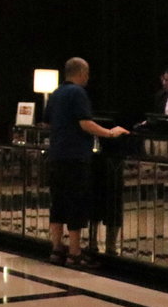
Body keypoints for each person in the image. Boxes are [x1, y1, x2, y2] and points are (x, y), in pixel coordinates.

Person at [45, 57, 128, 269]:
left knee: (58, 203)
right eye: (87, 73)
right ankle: (74, 253)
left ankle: (56, 249)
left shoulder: (55, 93)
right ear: (81, 72)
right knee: (76, 203)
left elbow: (47, 120)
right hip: (75, 157)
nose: (88, 77)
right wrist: (110, 133)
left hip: (56, 156)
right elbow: (85, 123)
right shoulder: (78, 92)